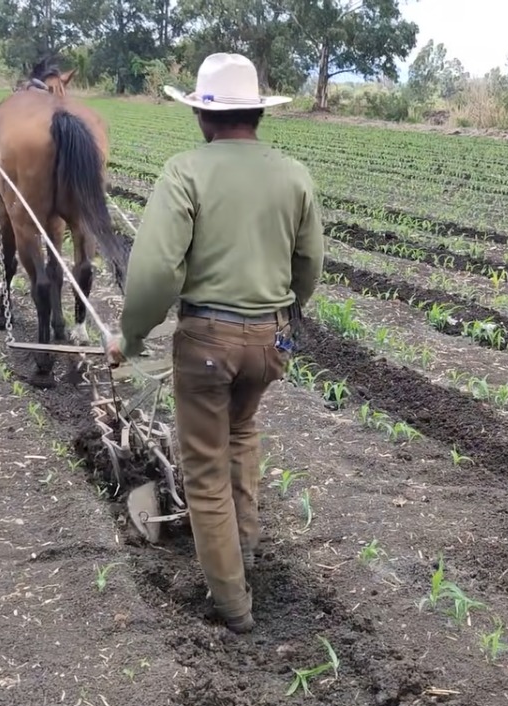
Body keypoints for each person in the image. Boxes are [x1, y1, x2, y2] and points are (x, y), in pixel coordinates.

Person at [104, 52, 325, 633]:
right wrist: (285, 312)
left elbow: (154, 274)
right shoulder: (294, 173)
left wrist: (130, 336)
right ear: (257, 113)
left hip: (206, 342)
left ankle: (232, 606)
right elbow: (309, 267)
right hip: (271, 341)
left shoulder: (186, 172)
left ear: (204, 116)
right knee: (242, 436)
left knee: (203, 471)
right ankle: (244, 557)